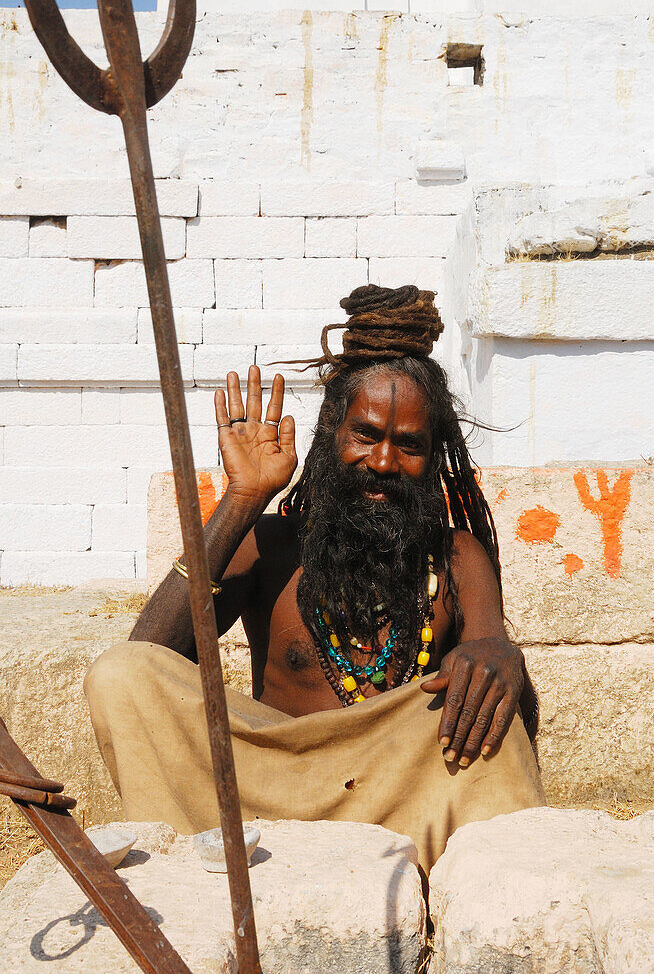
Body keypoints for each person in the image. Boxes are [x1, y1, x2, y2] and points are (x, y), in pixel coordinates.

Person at [86, 285, 544, 875]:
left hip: (394, 795)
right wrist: (243, 499)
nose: (383, 462)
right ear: (331, 433)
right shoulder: (270, 542)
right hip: (263, 798)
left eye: (409, 446)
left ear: (433, 457)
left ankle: (494, 894)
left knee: (490, 715)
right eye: (366, 435)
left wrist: (501, 656)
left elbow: (487, 658)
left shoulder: (457, 556)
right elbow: (152, 650)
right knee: (120, 673)